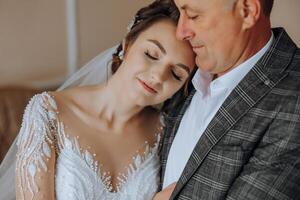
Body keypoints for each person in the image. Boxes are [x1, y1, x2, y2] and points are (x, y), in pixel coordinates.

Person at [0, 1, 195, 200]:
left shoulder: (166, 132)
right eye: (151, 54)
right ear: (127, 45)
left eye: (176, 74)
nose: (158, 76)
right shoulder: (48, 112)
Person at [157, 0, 300, 199]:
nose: (180, 32)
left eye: (193, 16)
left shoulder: (294, 100)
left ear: (248, 11)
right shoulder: (182, 70)